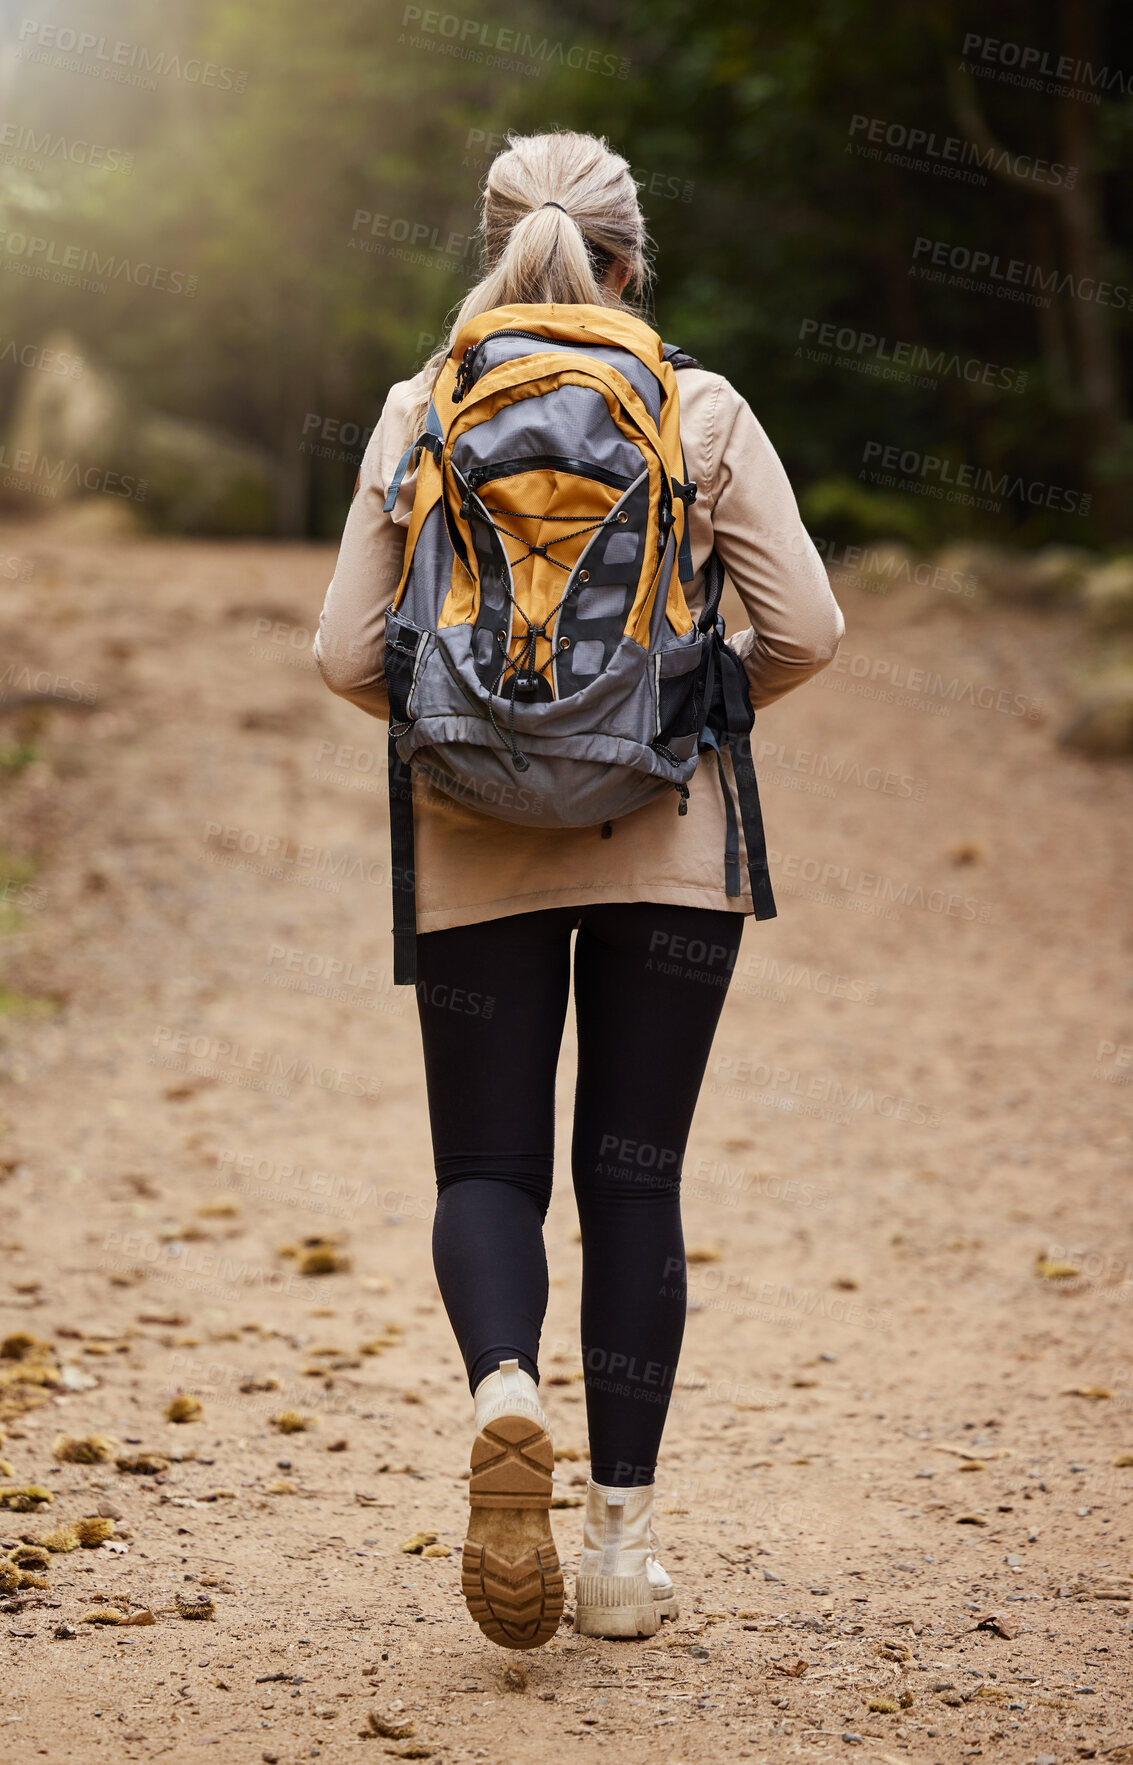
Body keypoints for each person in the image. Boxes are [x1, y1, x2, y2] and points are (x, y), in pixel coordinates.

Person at [315, 129, 844, 1650]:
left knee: (485, 1170)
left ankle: (502, 1389)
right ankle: (618, 1544)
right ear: (632, 257)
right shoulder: (698, 403)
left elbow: (348, 655)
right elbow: (802, 625)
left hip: (469, 838)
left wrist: (474, 736)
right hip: (662, 839)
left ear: (490, 247)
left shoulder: (425, 405)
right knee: (633, 1180)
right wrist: (669, 711)